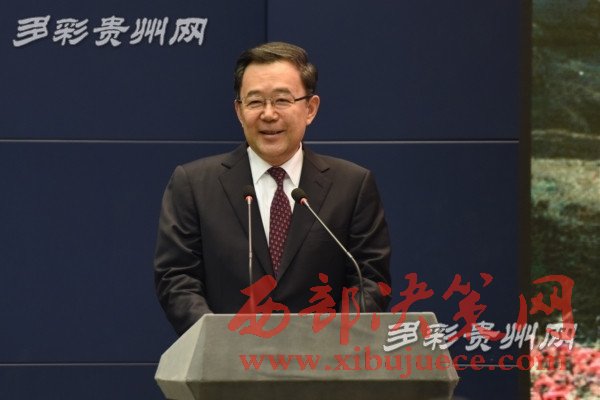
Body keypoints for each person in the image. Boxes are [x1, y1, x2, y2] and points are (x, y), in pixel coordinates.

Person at [154, 41, 391, 335]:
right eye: (255, 102)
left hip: (324, 358)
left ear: (310, 108)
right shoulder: (193, 184)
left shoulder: (352, 185)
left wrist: (329, 341)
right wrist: (218, 340)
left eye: (281, 100)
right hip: (228, 356)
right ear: (239, 111)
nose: (268, 114)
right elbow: (176, 278)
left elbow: (370, 280)